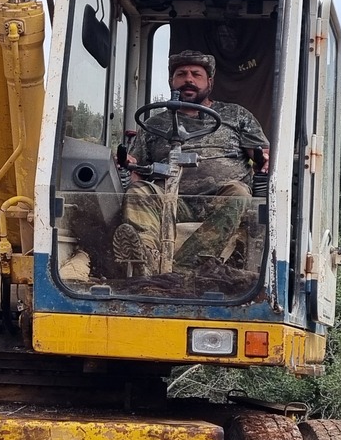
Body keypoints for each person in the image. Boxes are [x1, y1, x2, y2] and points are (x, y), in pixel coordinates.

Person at [112, 50, 269, 276]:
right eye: (181, 74)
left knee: (239, 193)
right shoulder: (154, 124)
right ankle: (145, 258)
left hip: (221, 202)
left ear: (209, 82)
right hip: (172, 201)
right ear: (171, 81)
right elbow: (137, 170)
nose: (188, 79)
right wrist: (127, 166)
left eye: (196, 74)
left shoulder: (235, 115)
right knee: (139, 191)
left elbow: (263, 155)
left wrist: (266, 159)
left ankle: (183, 267)